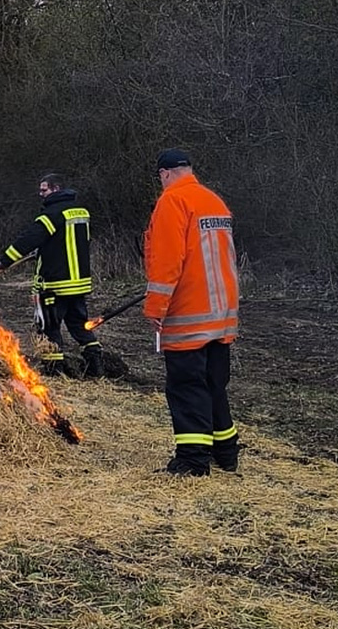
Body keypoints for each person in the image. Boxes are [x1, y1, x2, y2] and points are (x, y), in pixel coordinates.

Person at [143, 148, 240, 476]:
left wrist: (156, 307)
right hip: (222, 313)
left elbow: (168, 260)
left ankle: (192, 460)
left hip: (189, 314)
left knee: (186, 386)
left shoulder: (172, 201)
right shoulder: (214, 201)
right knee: (215, 384)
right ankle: (226, 453)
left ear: (165, 174)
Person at [0, 172, 105, 379]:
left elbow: (28, 239)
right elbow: (69, 243)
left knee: (48, 327)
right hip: (79, 284)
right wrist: (44, 251)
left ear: (56, 189)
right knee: (79, 325)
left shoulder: (51, 215)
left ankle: (54, 372)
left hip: (55, 284)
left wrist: (5, 261)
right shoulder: (81, 213)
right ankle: (96, 365)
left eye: (44, 189)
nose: (41, 194)